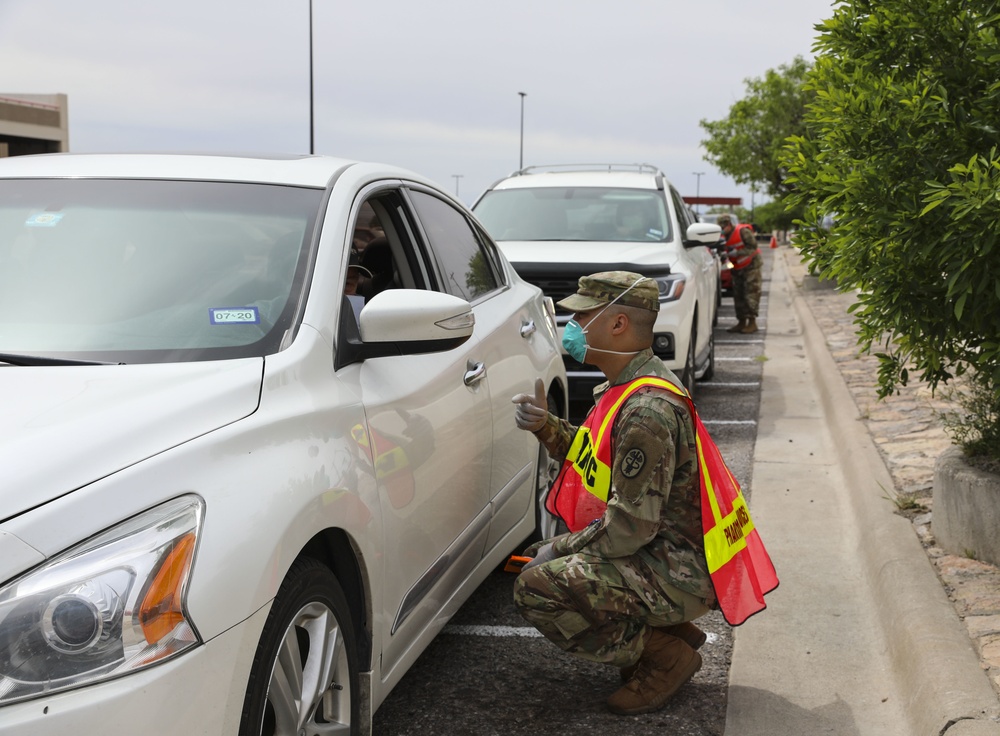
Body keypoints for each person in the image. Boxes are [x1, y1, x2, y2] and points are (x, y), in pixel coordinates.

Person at [509, 271, 716, 716]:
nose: (573, 327)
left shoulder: (646, 409)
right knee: (553, 560)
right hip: (668, 552)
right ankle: (671, 632)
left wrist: (555, 549)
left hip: (676, 566)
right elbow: (597, 463)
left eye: (583, 316)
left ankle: (663, 656)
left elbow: (626, 531)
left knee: (537, 586)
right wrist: (547, 427)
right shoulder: (627, 387)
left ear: (618, 324)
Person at [718, 214, 762, 333]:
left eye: (724, 226)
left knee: (750, 294)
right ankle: (741, 322)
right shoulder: (723, 236)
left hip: (751, 266)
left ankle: (752, 323)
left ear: (729, 224)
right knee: (739, 296)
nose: (723, 229)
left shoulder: (743, 232)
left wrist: (737, 252)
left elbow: (753, 247)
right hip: (737, 268)